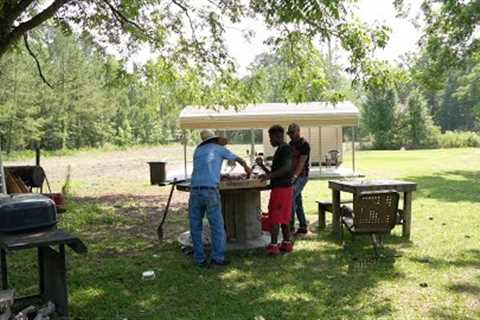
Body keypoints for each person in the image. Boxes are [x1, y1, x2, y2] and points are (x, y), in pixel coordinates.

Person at [189, 129, 251, 267]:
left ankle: (199, 259)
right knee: (216, 226)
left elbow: (205, 168)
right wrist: (247, 167)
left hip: (195, 190)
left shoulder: (197, 151)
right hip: (210, 190)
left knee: (195, 226)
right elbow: (237, 159)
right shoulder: (219, 148)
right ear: (215, 140)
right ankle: (217, 258)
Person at [256, 125, 294, 255]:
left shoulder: (285, 149)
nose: (270, 141)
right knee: (284, 217)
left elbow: (287, 168)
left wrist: (268, 176)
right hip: (284, 188)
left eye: (271, 138)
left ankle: (273, 245)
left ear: (278, 136)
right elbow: (276, 172)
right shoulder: (280, 149)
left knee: (275, 217)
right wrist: (263, 167)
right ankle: (287, 243)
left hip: (281, 189)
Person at [287, 123, 311, 235]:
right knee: (297, 200)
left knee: (290, 196)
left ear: (298, 131)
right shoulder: (290, 144)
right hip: (292, 176)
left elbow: (301, 163)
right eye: (289, 133)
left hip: (301, 176)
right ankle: (303, 226)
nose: (291, 135)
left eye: (292, 132)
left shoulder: (304, 144)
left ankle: (290, 227)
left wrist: (294, 177)